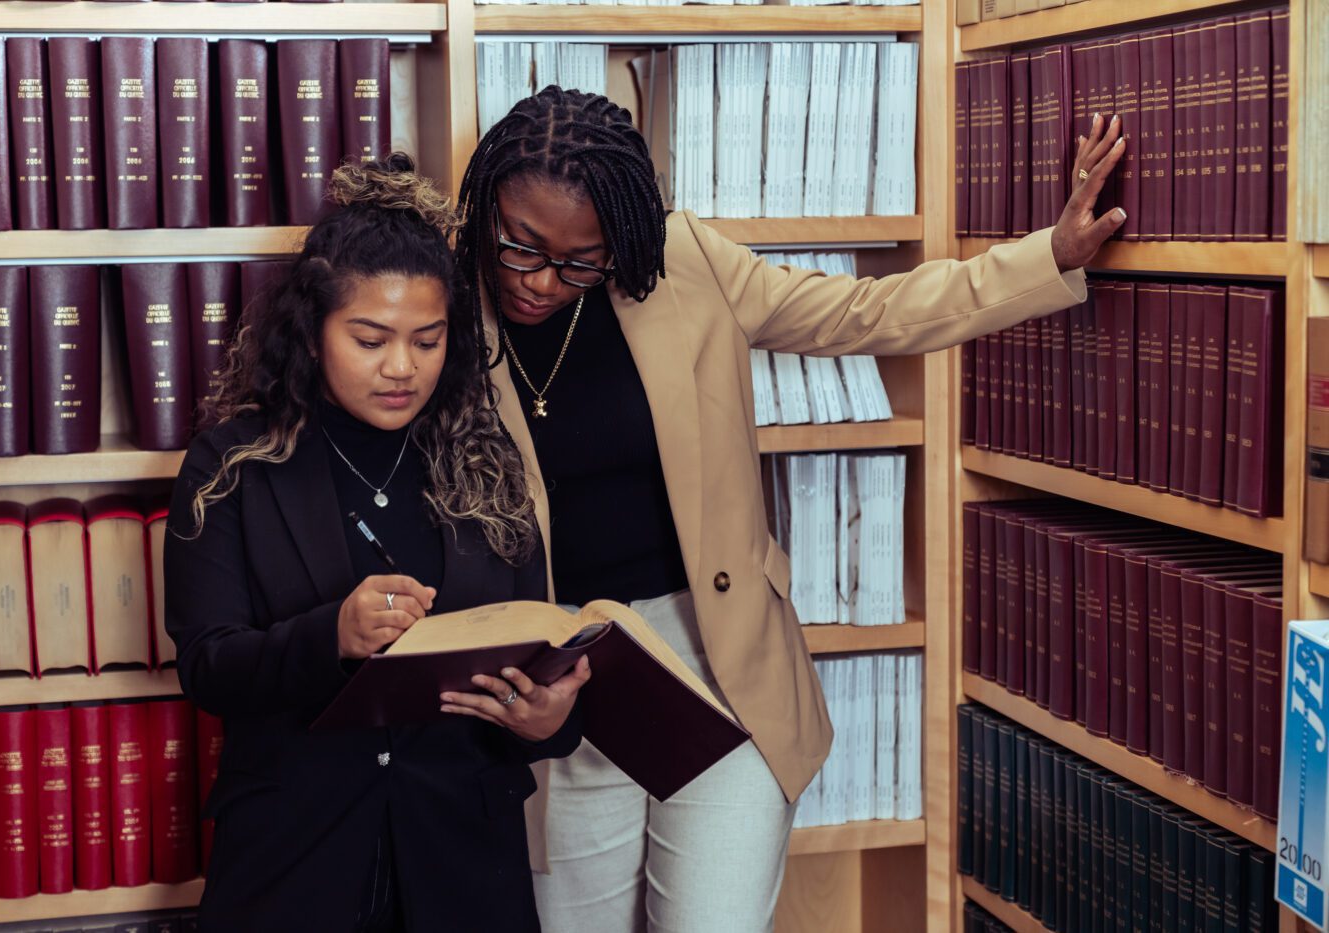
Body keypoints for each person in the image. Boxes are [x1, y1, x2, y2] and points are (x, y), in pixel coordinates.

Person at [452, 86, 1126, 932]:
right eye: (520, 245)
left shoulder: (684, 261)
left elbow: (861, 312)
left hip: (720, 662)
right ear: (487, 207)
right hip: (564, 684)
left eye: (581, 259)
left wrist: (1048, 256)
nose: (543, 280)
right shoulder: (440, 304)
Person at [165, 153, 590, 932]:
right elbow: (208, 666)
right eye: (370, 339)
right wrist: (331, 635)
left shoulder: (485, 459)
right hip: (294, 864)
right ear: (312, 330)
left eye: (427, 341)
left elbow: (535, 651)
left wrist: (550, 721)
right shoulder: (231, 464)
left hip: (467, 868)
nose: (402, 368)